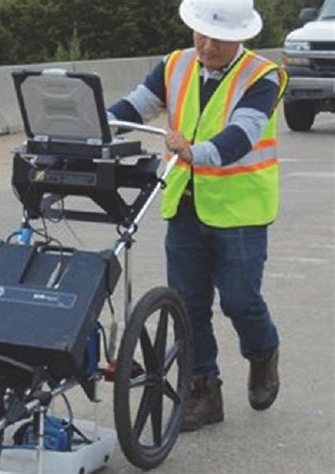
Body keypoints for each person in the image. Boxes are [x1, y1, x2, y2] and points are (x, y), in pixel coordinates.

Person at [108, 0, 288, 432]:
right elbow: (135, 107)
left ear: (240, 36)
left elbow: (241, 135)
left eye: (217, 39)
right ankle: (203, 390)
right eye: (199, 34)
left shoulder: (263, 76)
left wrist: (193, 152)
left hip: (240, 208)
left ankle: (263, 352)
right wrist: (92, 125)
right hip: (185, 204)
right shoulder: (175, 65)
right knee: (188, 305)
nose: (205, 45)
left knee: (240, 300)